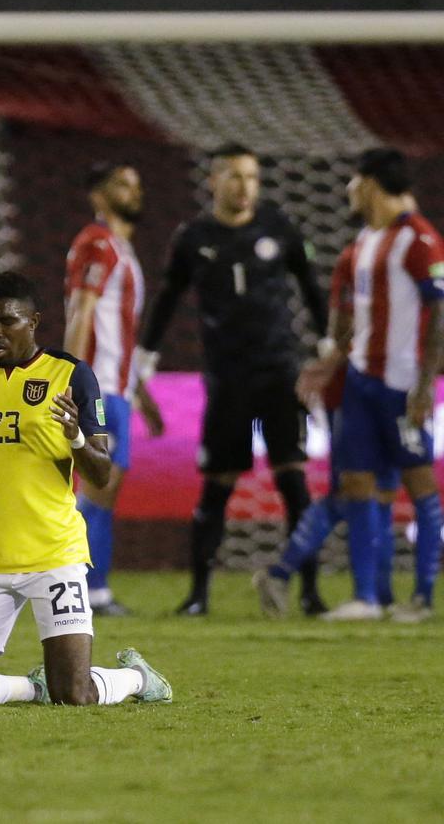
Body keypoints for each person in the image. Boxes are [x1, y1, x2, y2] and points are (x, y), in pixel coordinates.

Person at [0, 271, 171, 708]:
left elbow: (100, 475)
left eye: (6, 321)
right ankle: (28, 687)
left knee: (73, 696)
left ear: (34, 321)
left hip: (54, 555)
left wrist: (76, 437)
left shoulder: (71, 374)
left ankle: (136, 678)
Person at [134, 143, 328, 616]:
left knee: (293, 481)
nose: (245, 187)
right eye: (236, 177)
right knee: (217, 484)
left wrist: (325, 349)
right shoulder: (193, 237)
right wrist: (146, 358)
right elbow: (167, 297)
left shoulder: (278, 226)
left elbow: (310, 287)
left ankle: (309, 592)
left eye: (252, 178)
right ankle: (199, 594)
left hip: (279, 372)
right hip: (227, 377)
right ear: (214, 182)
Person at [294, 148, 444, 622]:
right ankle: (368, 597)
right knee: (357, 484)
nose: (347, 191)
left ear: (371, 184)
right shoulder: (366, 240)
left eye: (353, 181)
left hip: (402, 385)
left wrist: (426, 386)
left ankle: (421, 597)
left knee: (421, 486)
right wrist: (330, 364)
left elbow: (439, 312)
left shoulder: (420, 240)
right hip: (360, 380)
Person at [254, 245, 400, 617]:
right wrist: (333, 364)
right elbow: (345, 325)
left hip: (375, 388)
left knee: (372, 489)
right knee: (354, 489)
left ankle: (377, 594)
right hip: (352, 392)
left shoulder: (368, 257)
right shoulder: (358, 258)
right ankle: (289, 574)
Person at [63, 163, 164, 616]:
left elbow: (117, 330)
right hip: (98, 386)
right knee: (99, 485)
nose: (134, 192)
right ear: (99, 196)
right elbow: (82, 313)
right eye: (123, 185)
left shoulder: (118, 246)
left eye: (137, 184)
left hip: (117, 388)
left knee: (105, 487)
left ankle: (87, 586)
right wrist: (68, 378)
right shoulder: (99, 243)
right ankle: (83, 587)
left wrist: (142, 394)